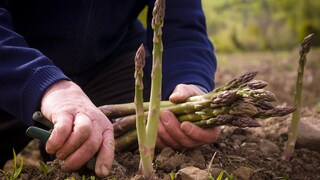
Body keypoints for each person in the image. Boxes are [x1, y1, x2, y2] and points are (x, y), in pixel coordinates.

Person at [0, 0, 221, 177]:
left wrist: (191, 85)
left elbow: (184, 28)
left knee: (107, 157)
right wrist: (44, 84)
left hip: (112, 63)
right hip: (12, 65)